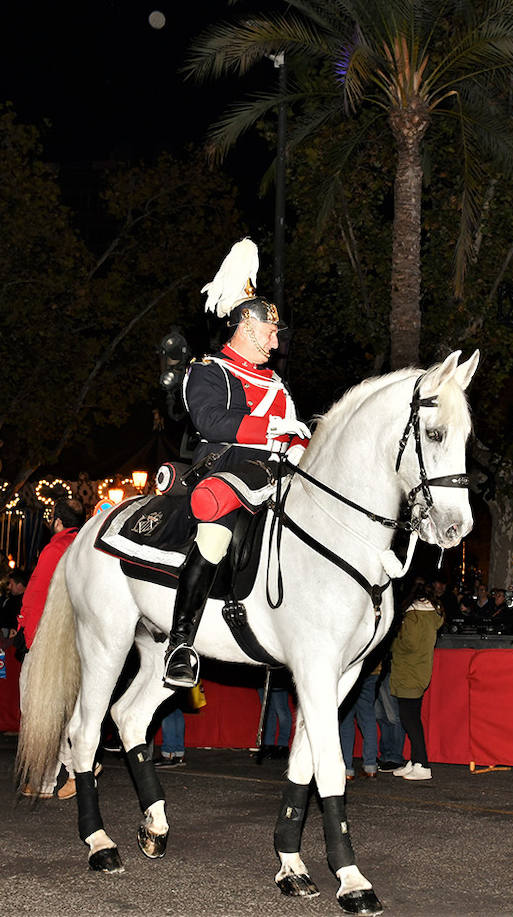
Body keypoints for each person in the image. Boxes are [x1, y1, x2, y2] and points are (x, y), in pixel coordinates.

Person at [164, 239, 310, 689]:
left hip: (280, 474)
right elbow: (211, 420)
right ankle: (181, 643)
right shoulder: (207, 370)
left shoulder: (278, 383)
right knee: (213, 534)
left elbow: (292, 436)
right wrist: (271, 429)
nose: (275, 338)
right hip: (227, 469)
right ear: (246, 326)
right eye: (270, 331)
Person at [388, 587, 444, 781]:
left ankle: (423, 765)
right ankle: (415, 760)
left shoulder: (413, 616)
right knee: (412, 718)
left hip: (408, 672)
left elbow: (408, 643)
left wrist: (393, 642)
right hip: (419, 671)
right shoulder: (431, 616)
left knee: (410, 720)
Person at [15, 499, 83, 659]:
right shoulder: (84, 546)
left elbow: (38, 593)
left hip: (49, 634)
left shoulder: (56, 549)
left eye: (51, 517)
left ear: (58, 523)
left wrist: (28, 636)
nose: (50, 522)